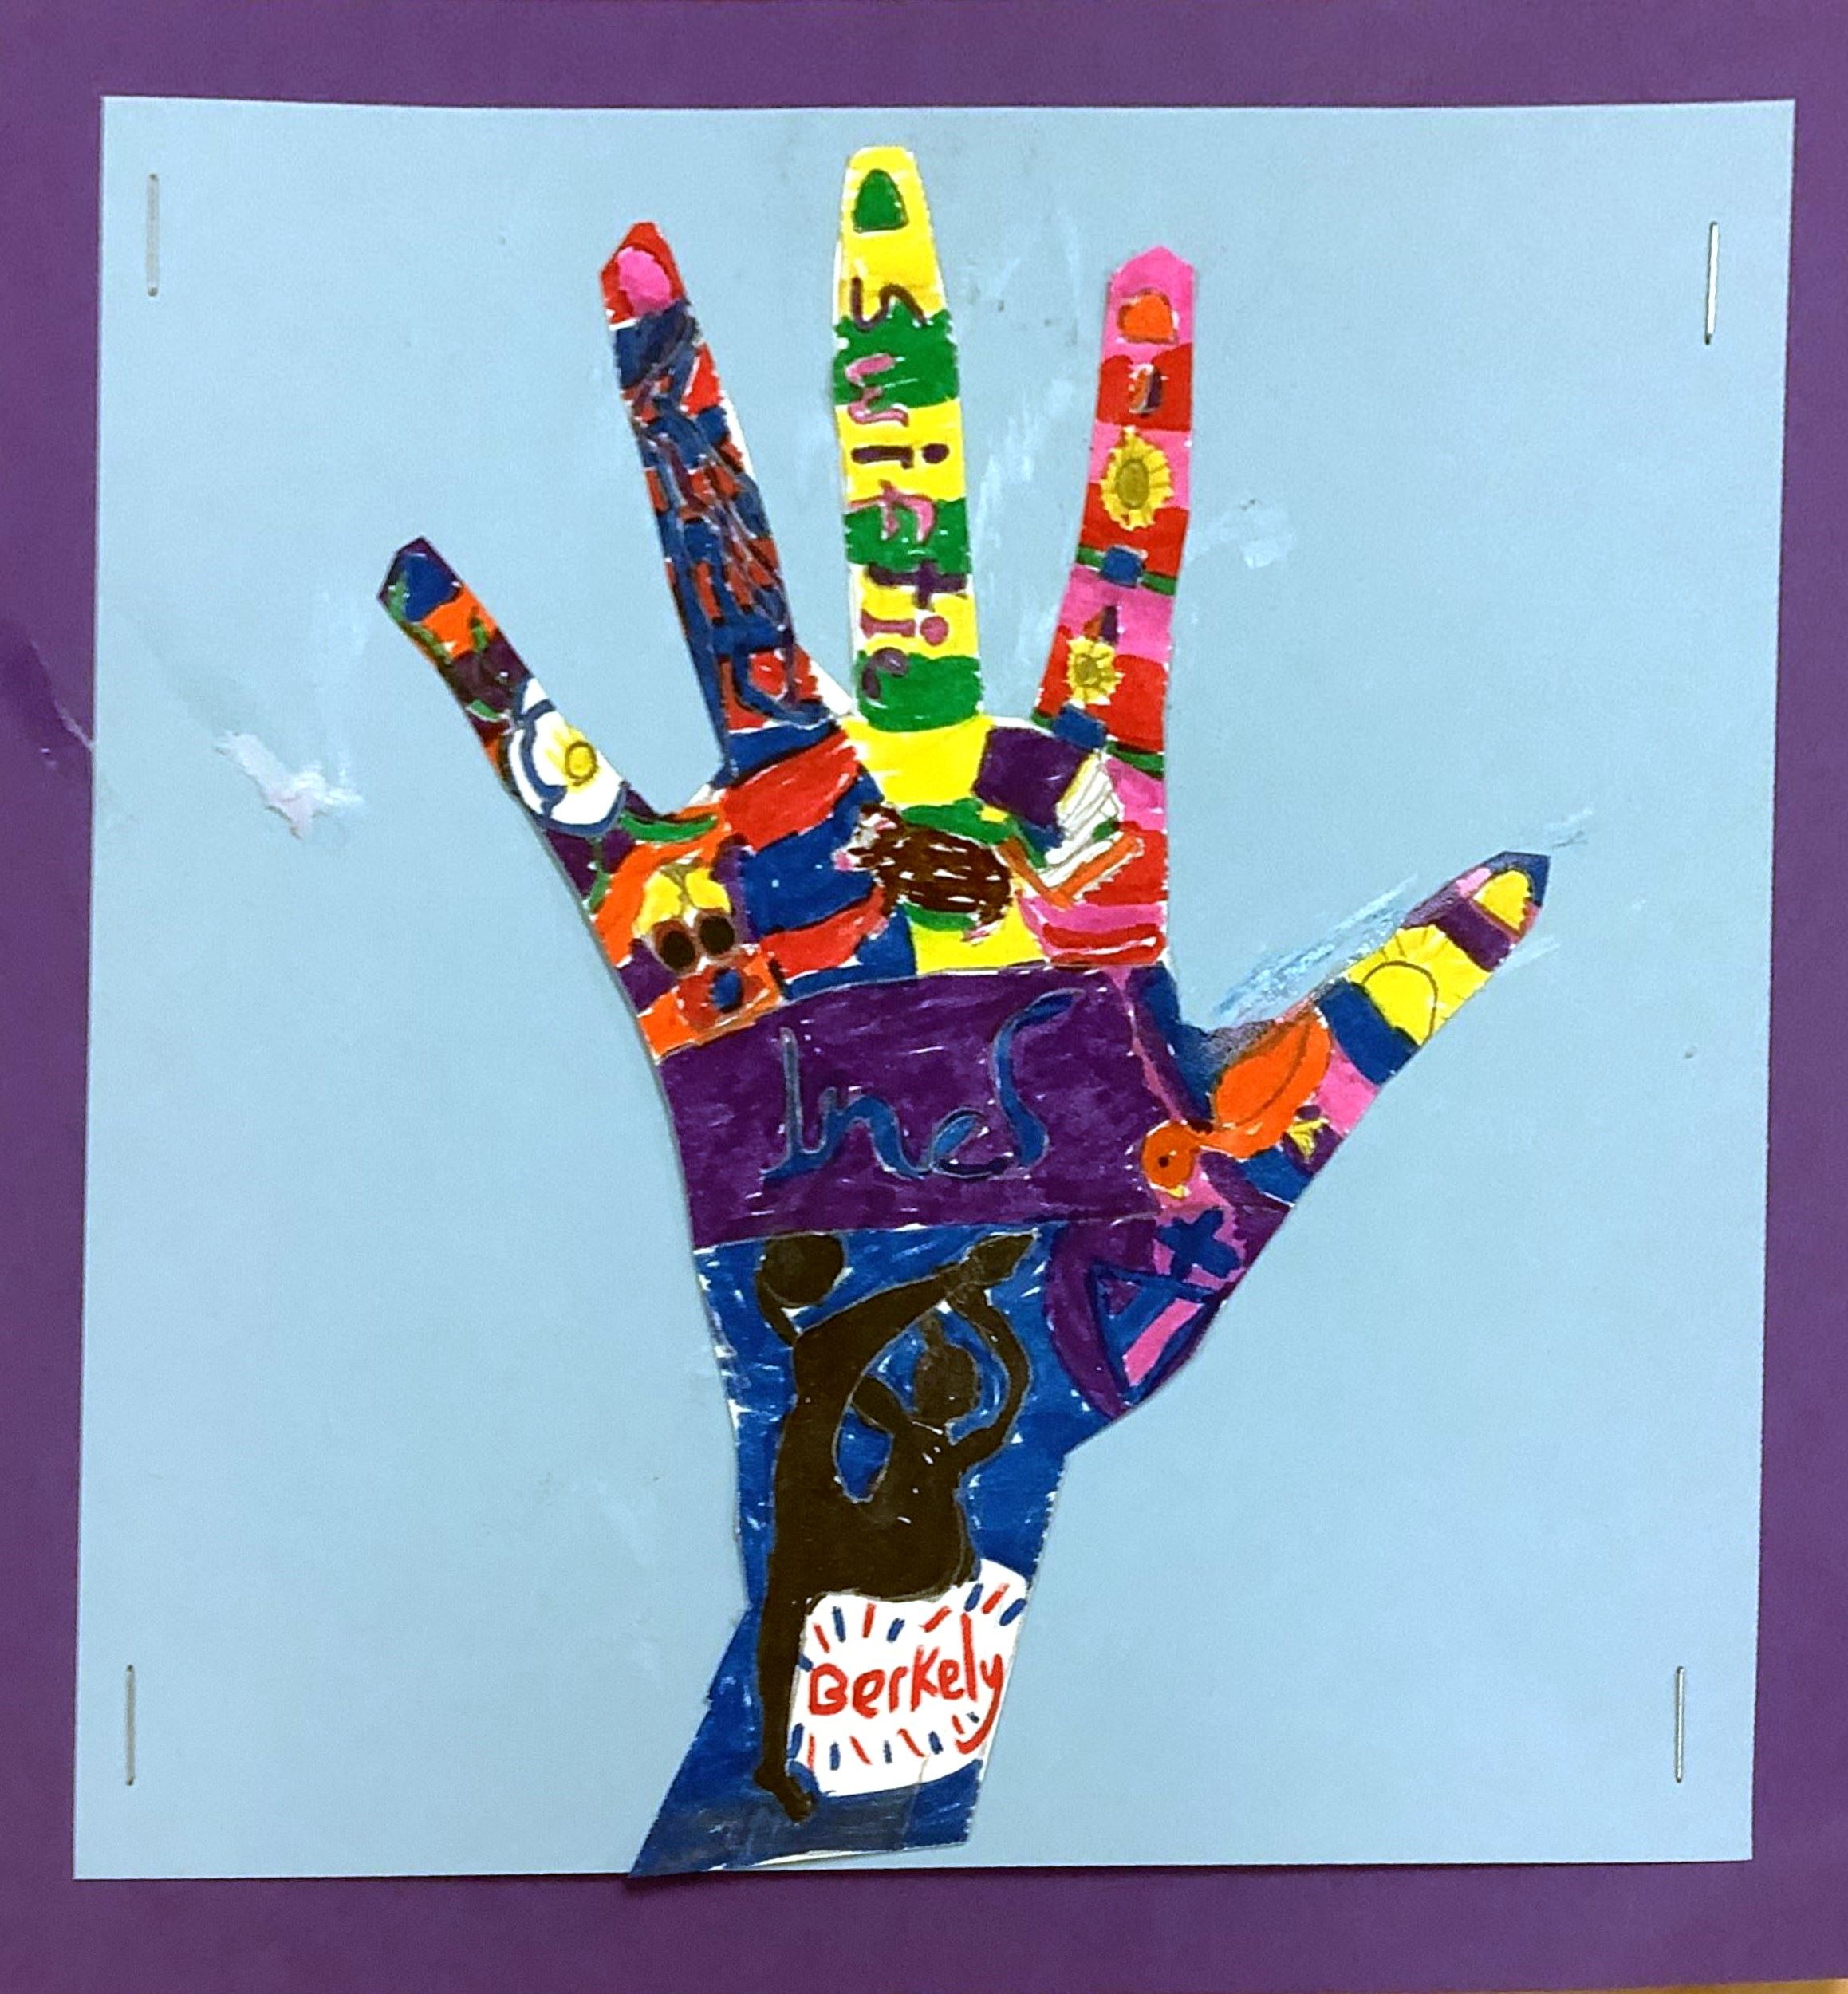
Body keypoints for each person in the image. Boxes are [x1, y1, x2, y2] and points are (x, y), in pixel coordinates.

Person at [750, 1230, 1033, 1820]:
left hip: (905, 1557)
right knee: (792, 1568)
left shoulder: (932, 1445)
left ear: (953, 1395)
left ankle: (773, 1758)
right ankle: (771, 1761)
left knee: (796, 1542)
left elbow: (829, 1368)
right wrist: (973, 1316)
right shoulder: (927, 1435)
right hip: (898, 1553)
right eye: (929, 1368)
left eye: (936, 1372)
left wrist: (966, 1303)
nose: (925, 1372)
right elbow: (823, 1367)